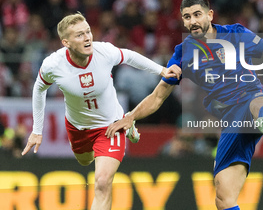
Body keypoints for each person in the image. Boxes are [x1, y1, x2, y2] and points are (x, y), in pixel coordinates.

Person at [106, 0, 263, 210]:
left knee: (257, 103)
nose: (192, 21)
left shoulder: (236, 34)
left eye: (197, 14)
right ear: (183, 21)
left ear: (210, 15)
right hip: (231, 121)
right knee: (224, 198)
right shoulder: (183, 53)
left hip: (251, 97)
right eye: (187, 17)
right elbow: (158, 96)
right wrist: (130, 116)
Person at [21, 12, 180, 210]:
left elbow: (129, 56)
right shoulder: (53, 64)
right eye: (79, 35)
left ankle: (126, 123)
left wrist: (162, 70)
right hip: (78, 127)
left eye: (88, 31)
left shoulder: (104, 52)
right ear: (66, 42)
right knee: (84, 161)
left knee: (102, 182)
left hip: (110, 125)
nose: (87, 37)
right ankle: (128, 128)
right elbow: (38, 89)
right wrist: (37, 130)